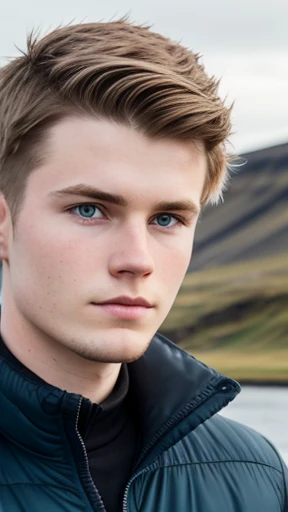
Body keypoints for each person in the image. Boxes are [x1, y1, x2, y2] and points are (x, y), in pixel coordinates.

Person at [0, 19, 287, 512]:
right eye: (89, 210)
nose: (137, 260)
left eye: (168, 218)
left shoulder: (255, 475)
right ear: (4, 224)